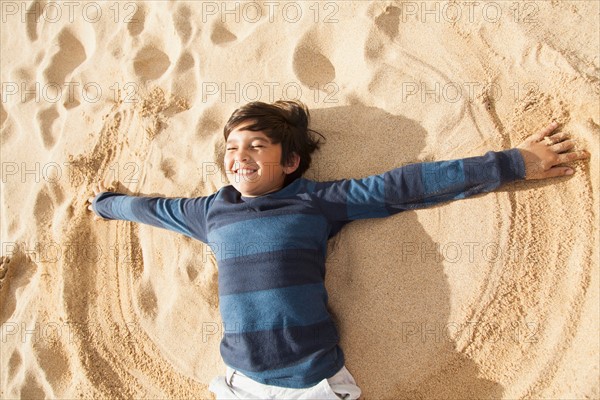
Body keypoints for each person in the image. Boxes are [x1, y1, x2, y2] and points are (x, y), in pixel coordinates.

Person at [87, 100, 589, 399]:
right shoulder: (211, 212)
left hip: (314, 384)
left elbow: (406, 185)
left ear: (290, 162)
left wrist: (513, 162)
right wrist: (106, 204)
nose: (239, 157)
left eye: (256, 146)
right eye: (231, 148)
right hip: (239, 383)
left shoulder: (316, 203)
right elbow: (151, 210)